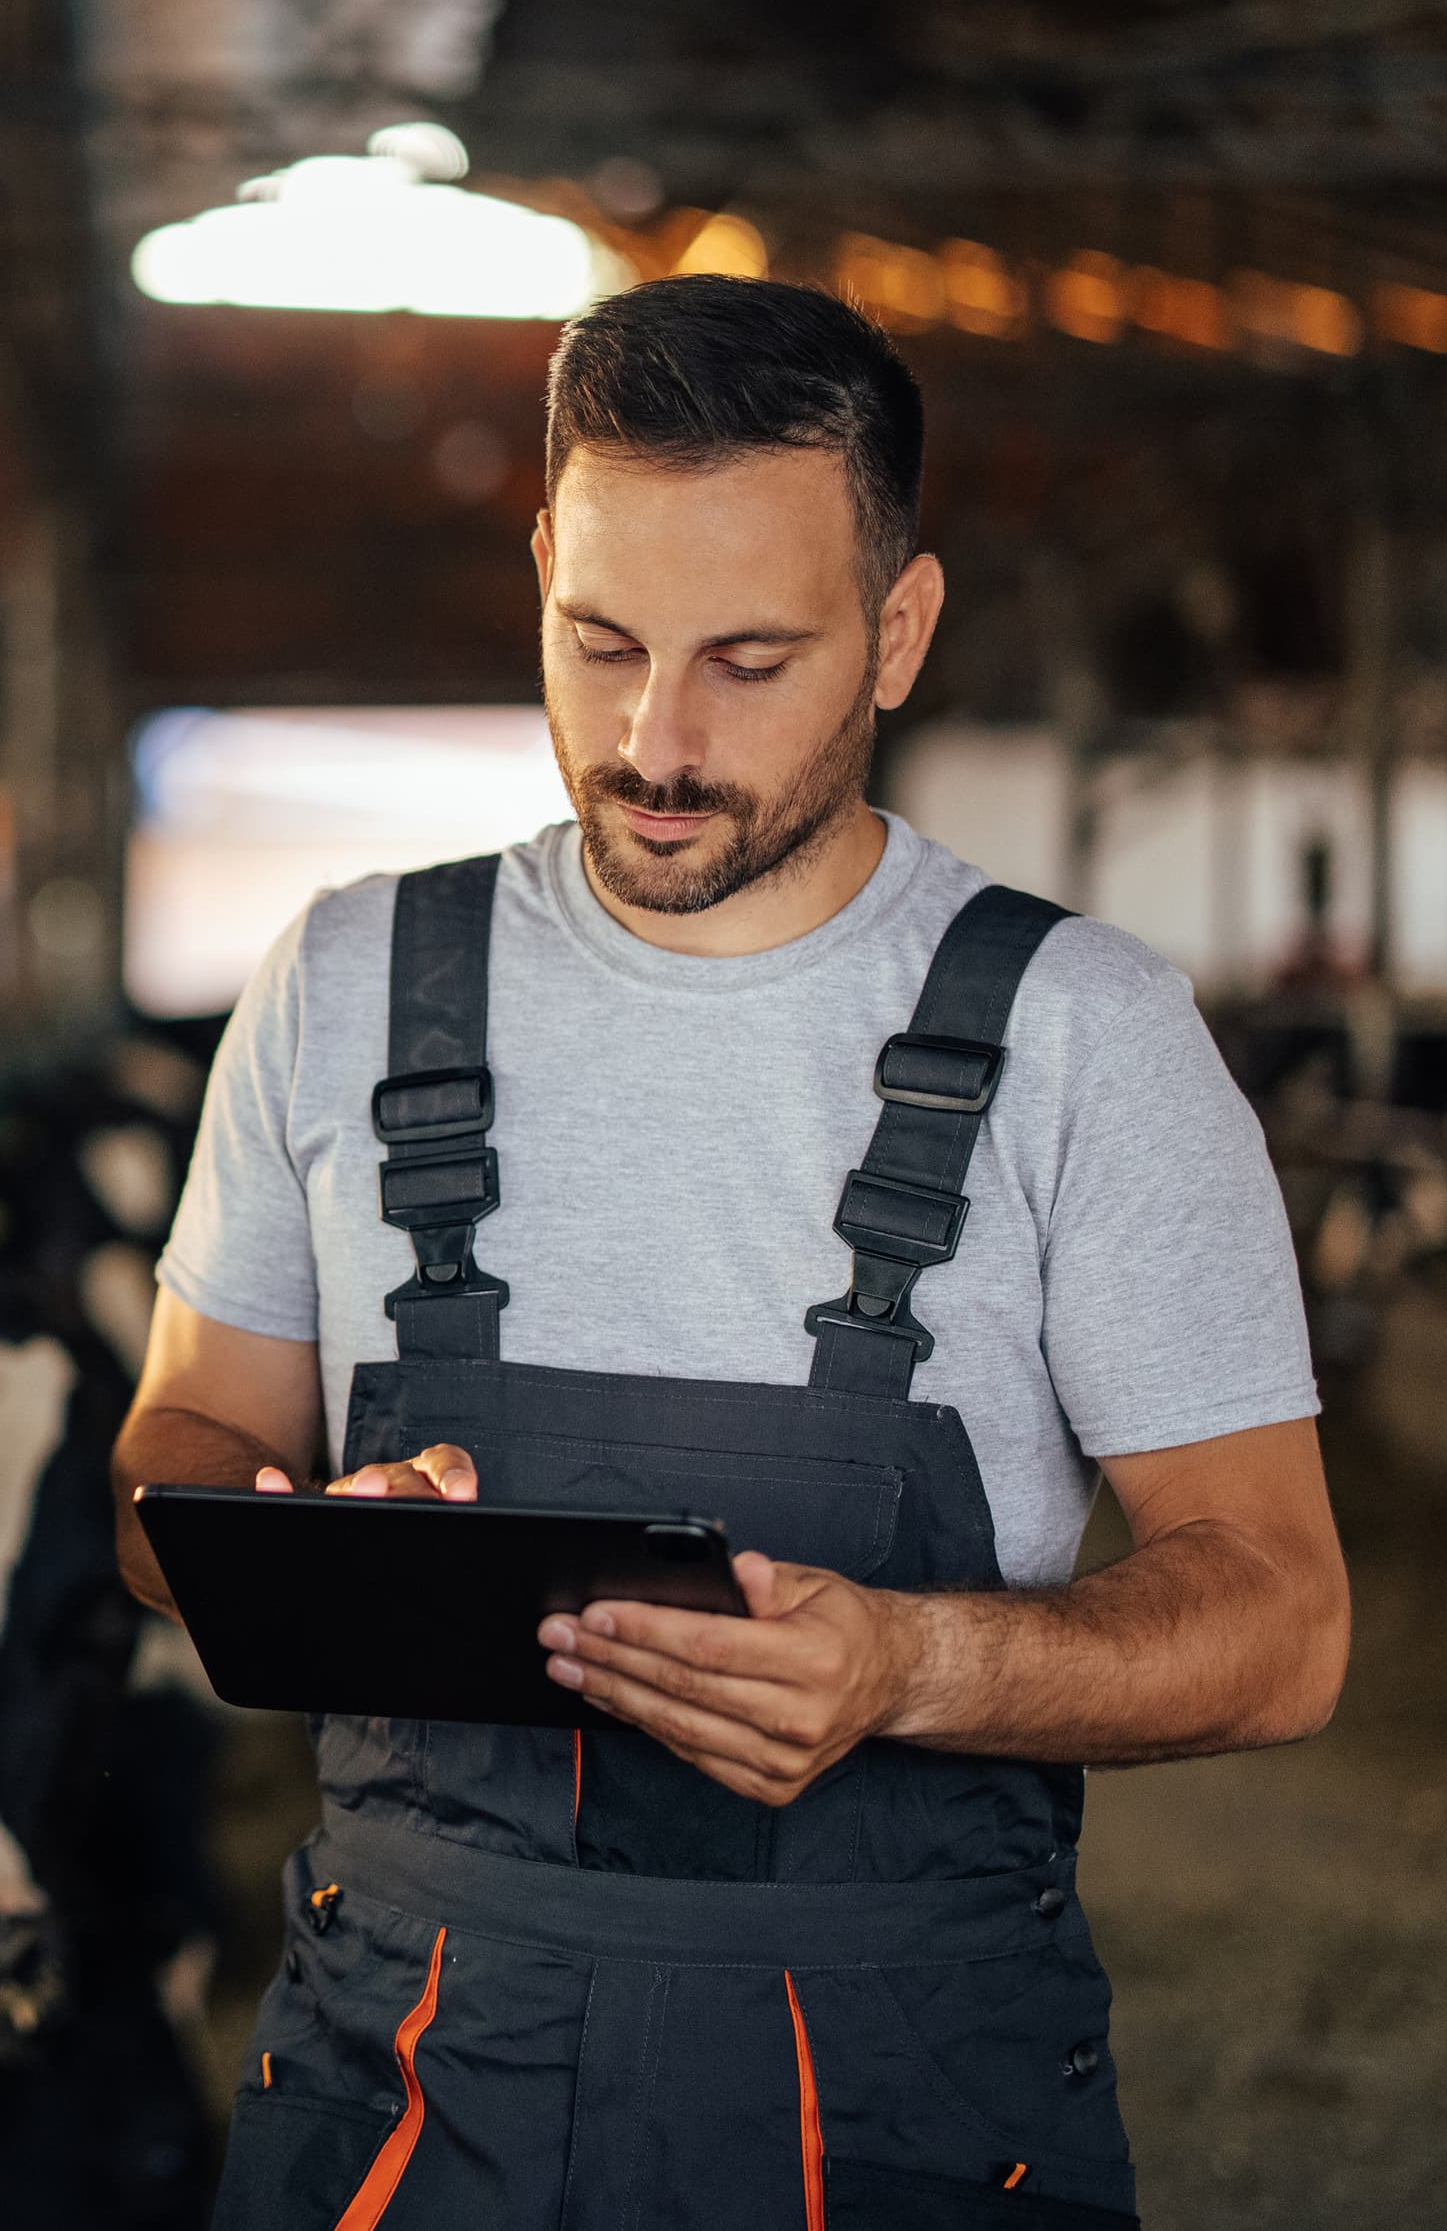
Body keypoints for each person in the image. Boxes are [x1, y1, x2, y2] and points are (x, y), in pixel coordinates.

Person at [113, 275, 1346, 2231]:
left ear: (903, 628)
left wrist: (917, 1661)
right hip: (415, 2063)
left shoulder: (1083, 1033)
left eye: (751, 661)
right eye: (599, 642)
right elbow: (173, 1454)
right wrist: (305, 1541)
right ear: (538, 564)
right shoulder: (347, 984)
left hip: (898, 2090)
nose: (654, 740)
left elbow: (1285, 1621)